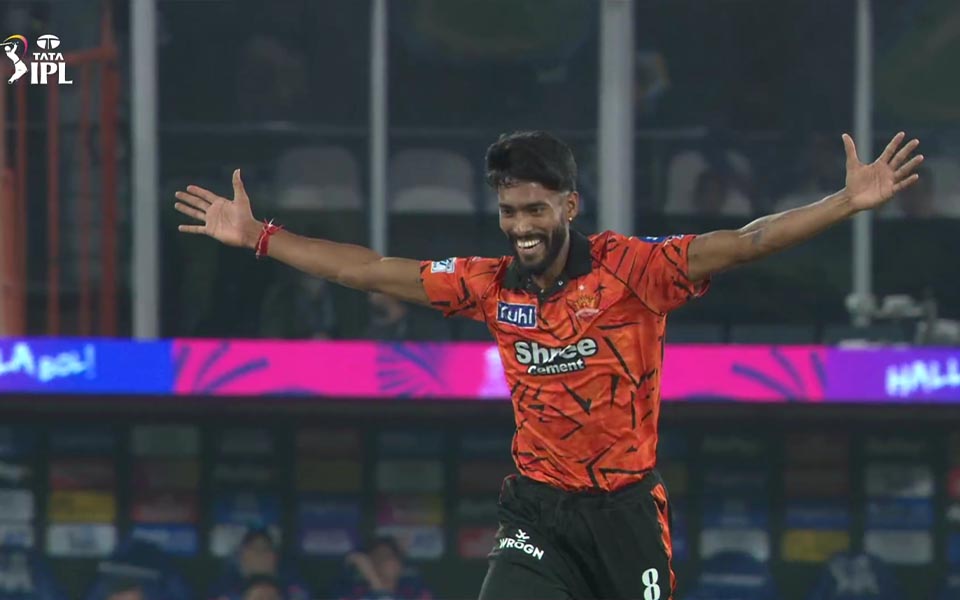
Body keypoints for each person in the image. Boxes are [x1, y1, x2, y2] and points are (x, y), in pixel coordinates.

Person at [175, 130, 922, 599]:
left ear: (569, 204)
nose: (522, 227)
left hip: (626, 514)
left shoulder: (635, 270)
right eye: (509, 212)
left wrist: (845, 203)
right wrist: (260, 236)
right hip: (537, 511)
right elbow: (369, 269)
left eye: (536, 210)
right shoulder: (489, 284)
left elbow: (747, 242)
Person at [329, 536, 432, 600]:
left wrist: (376, 584)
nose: (390, 560)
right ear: (370, 565)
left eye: (392, 555)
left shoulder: (414, 592)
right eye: (382, 557)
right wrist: (372, 578)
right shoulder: (353, 594)